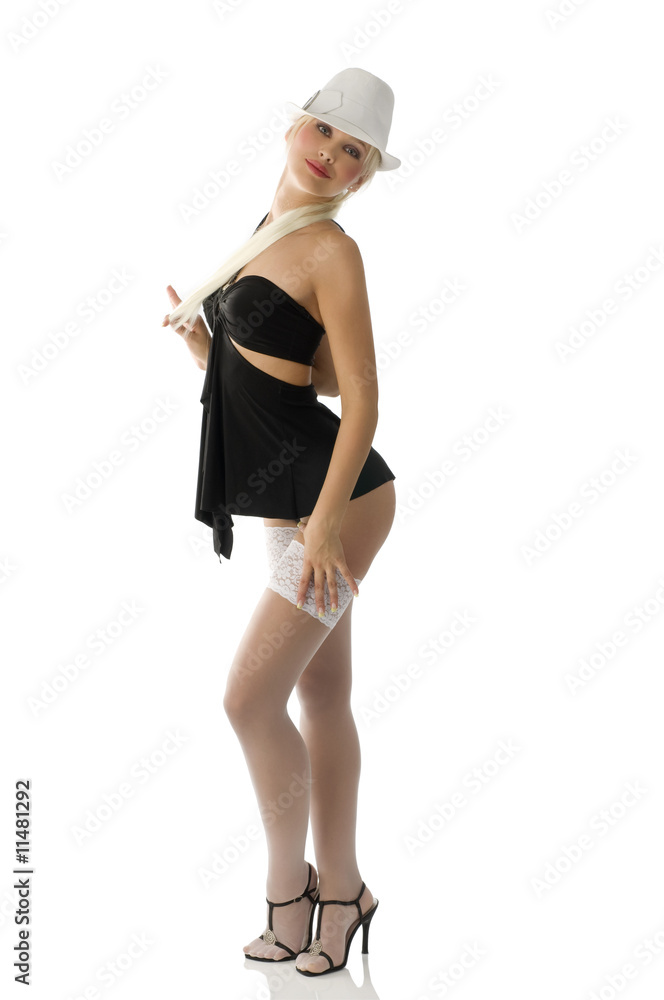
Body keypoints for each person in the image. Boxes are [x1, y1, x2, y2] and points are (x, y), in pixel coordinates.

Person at [162, 68, 401, 977]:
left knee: (248, 700)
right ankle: (345, 891)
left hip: (338, 499)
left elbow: (361, 400)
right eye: (325, 132)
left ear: (364, 176)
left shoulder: (333, 250)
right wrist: (208, 352)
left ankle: (292, 894)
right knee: (320, 698)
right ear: (295, 127)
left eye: (354, 151)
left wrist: (327, 527)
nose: (332, 154)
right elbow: (286, 384)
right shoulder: (272, 230)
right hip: (295, 496)